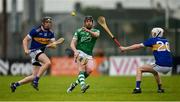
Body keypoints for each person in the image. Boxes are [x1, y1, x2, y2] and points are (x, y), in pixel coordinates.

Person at [10, 16, 56, 92]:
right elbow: (25, 40)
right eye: (47, 22)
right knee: (48, 62)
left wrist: (51, 45)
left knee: (33, 76)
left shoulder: (51, 33)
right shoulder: (35, 31)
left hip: (39, 53)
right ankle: (36, 81)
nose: (48, 24)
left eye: (50, 22)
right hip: (34, 51)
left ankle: (15, 85)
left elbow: (54, 45)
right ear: (43, 23)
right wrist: (25, 49)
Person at [120, 27, 173, 94]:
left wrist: (125, 48)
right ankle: (160, 89)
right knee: (155, 71)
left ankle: (137, 88)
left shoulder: (152, 40)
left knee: (139, 68)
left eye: (153, 33)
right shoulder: (166, 41)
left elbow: (137, 46)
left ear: (156, 33)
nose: (152, 34)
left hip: (161, 65)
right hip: (170, 66)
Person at [67, 16, 100, 93]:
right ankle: (83, 86)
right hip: (80, 52)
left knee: (89, 70)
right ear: (84, 23)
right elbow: (72, 44)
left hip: (89, 54)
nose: (89, 22)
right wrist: (75, 51)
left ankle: (74, 85)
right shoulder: (79, 31)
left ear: (92, 23)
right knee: (82, 66)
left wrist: (88, 31)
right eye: (87, 21)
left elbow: (96, 35)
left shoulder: (96, 31)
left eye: (90, 21)